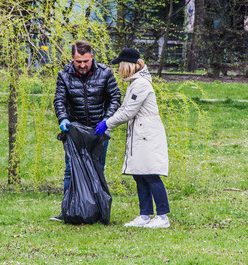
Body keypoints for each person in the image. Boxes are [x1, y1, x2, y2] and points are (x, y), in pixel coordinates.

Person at [94, 48, 170, 228]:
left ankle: (162, 216)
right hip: (139, 135)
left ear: (127, 65)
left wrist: (108, 124)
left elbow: (129, 111)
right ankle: (144, 215)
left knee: (151, 174)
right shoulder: (134, 83)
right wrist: (108, 121)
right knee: (139, 175)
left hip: (147, 136)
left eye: (120, 65)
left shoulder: (141, 84)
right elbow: (125, 109)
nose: (118, 69)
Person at [51, 41, 121, 221]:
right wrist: (63, 118)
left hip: (98, 131)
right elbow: (59, 99)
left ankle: (97, 210)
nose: (82, 65)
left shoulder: (105, 73)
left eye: (85, 61)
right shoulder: (64, 75)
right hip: (75, 132)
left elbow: (114, 97)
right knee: (70, 170)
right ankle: (69, 209)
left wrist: (107, 119)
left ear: (92, 57)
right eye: (78, 61)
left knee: (97, 168)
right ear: (72, 59)